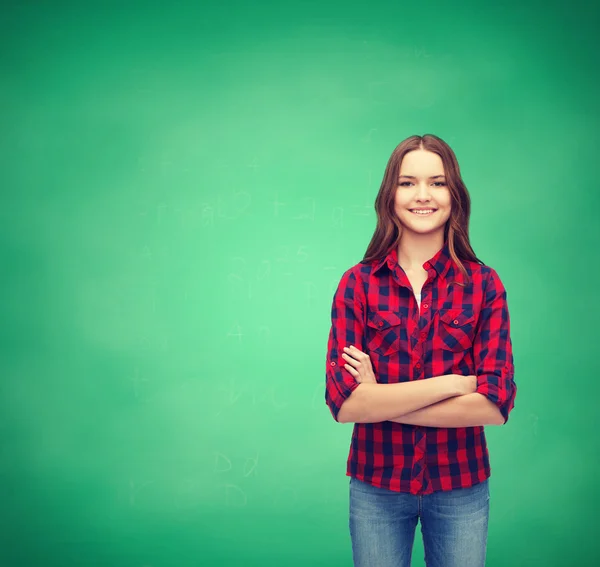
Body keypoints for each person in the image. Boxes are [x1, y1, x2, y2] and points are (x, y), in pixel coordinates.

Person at [324, 134, 517, 567]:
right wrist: (451, 384)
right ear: (389, 195)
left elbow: (494, 405)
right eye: (408, 182)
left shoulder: (485, 285)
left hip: (460, 487)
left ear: (456, 196)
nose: (423, 195)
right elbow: (345, 403)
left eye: (438, 182)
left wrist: (381, 400)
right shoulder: (357, 284)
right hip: (377, 487)